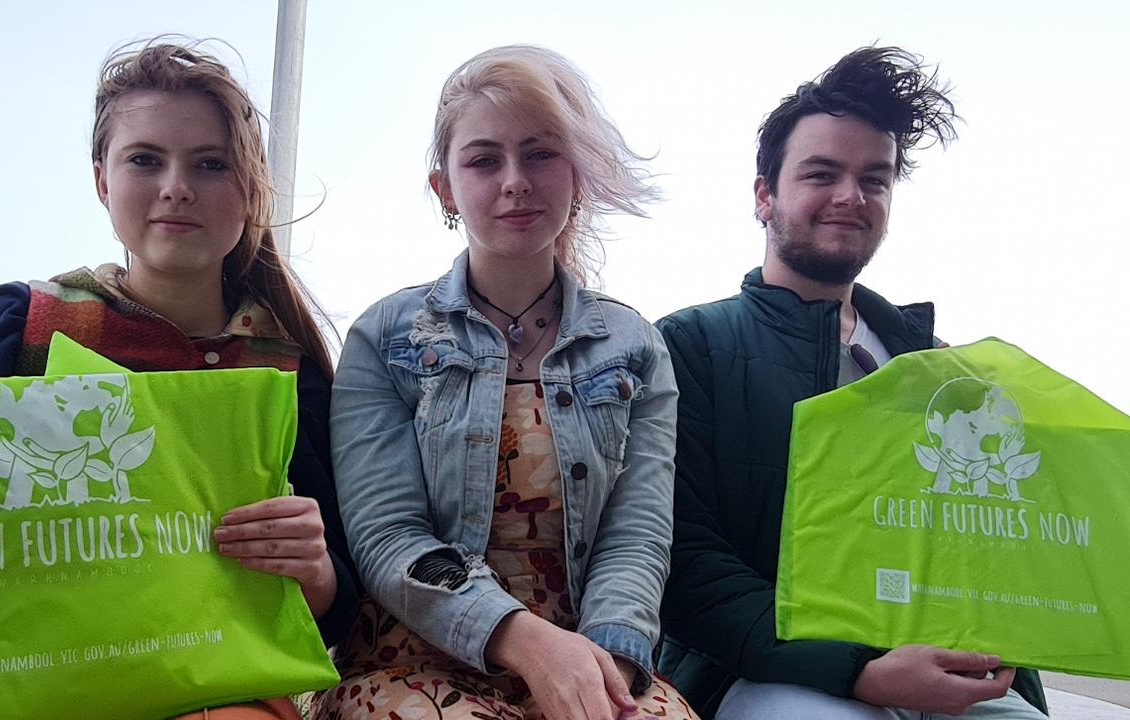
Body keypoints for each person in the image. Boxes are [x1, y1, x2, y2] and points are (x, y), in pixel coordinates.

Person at [0, 40, 358, 720]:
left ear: (249, 190)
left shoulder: (289, 368)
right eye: (145, 159)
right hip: (33, 680)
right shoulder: (22, 327)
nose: (176, 186)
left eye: (210, 164)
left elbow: (335, 616)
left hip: (225, 691)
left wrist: (316, 572)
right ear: (102, 179)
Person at [655, 46, 1048, 719]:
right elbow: (682, 562)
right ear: (763, 195)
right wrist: (860, 671)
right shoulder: (686, 347)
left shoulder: (941, 371)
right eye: (821, 173)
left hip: (949, 674)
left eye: (875, 178)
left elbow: (989, 538)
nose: (851, 197)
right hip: (762, 676)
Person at [313, 45, 695, 720]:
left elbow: (636, 534)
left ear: (577, 172)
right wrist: (523, 641)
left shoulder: (637, 347)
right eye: (484, 159)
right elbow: (387, 534)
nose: (514, 180)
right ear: (445, 189)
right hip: (416, 656)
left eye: (541, 153)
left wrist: (608, 666)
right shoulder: (386, 338)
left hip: (592, 653)